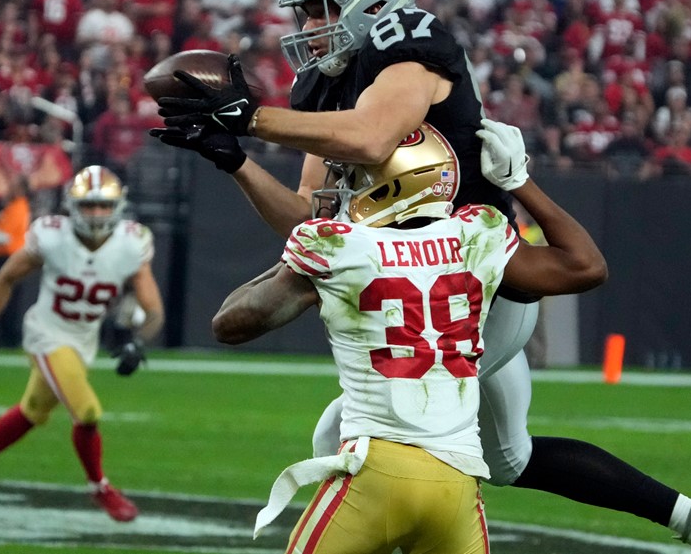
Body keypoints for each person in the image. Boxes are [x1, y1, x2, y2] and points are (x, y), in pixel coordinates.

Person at [154, 0, 691, 554]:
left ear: (375, 1)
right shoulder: (320, 88)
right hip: (420, 278)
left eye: (324, 8)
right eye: (305, 10)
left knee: (340, 443)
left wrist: (251, 118)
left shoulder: (408, 43)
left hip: (475, 280)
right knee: (508, 459)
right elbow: (311, 221)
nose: (310, 25)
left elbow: (372, 138)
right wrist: (235, 160)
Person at [213, 122, 606, 552]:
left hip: (375, 476)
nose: (343, 189)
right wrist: (520, 182)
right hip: (456, 484)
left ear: (392, 185)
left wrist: (296, 262)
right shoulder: (477, 233)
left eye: (355, 179)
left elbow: (230, 324)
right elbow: (587, 266)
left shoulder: (340, 248)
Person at [0, 165, 163, 522]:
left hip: (83, 340)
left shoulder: (131, 243)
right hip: (47, 333)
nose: (96, 213)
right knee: (88, 411)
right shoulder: (51, 236)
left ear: (118, 206)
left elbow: (153, 309)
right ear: (72, 206)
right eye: (89, 205)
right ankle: (100, 487)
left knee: (32, 411)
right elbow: (6, 279)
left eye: (104, 205)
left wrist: (137, 343)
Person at [0, 174, 31, 348]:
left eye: (14, 185)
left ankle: (9, 336)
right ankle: (3, 333)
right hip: (3, 256)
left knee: (8, 297)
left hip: (11, 256)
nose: (10, 188)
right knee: (3, 295)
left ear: (21, 190)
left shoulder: (19, 207)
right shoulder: (11, 207)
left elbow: (6, 235)